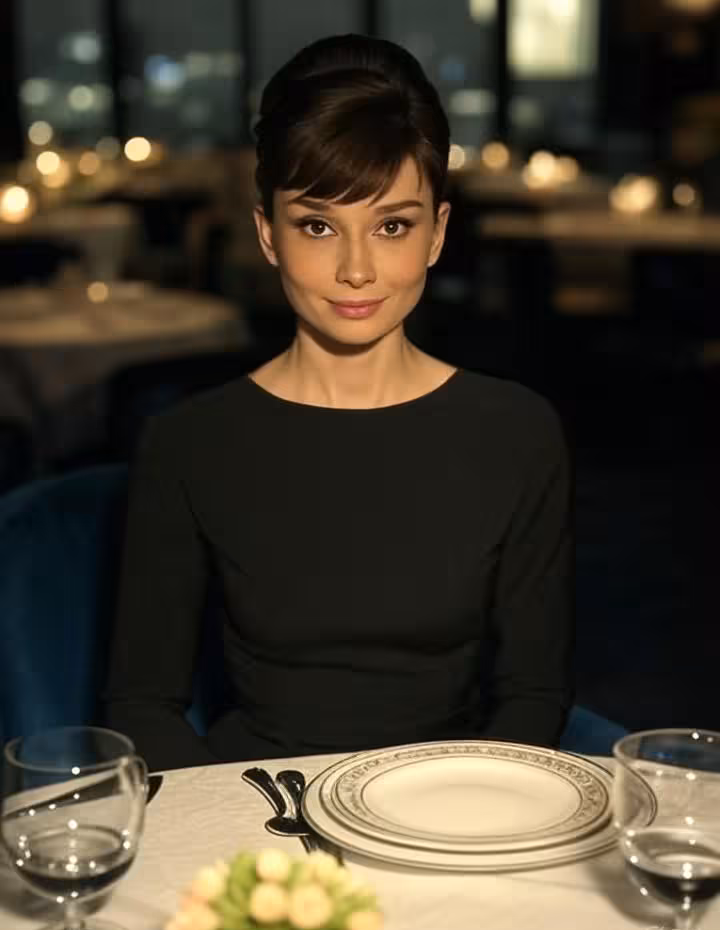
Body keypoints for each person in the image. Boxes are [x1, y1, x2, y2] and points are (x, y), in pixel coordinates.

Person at [104, 34, 573, 772]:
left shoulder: (516, 432)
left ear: (437, 234)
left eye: (393, 225)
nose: (357, 269)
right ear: (268, 234)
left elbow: (535, 692)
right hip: (256, 816)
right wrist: (229, 838)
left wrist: (468, 814)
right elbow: (141, 702)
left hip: (450, 808)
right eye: (318, 225)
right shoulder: (189, 443)